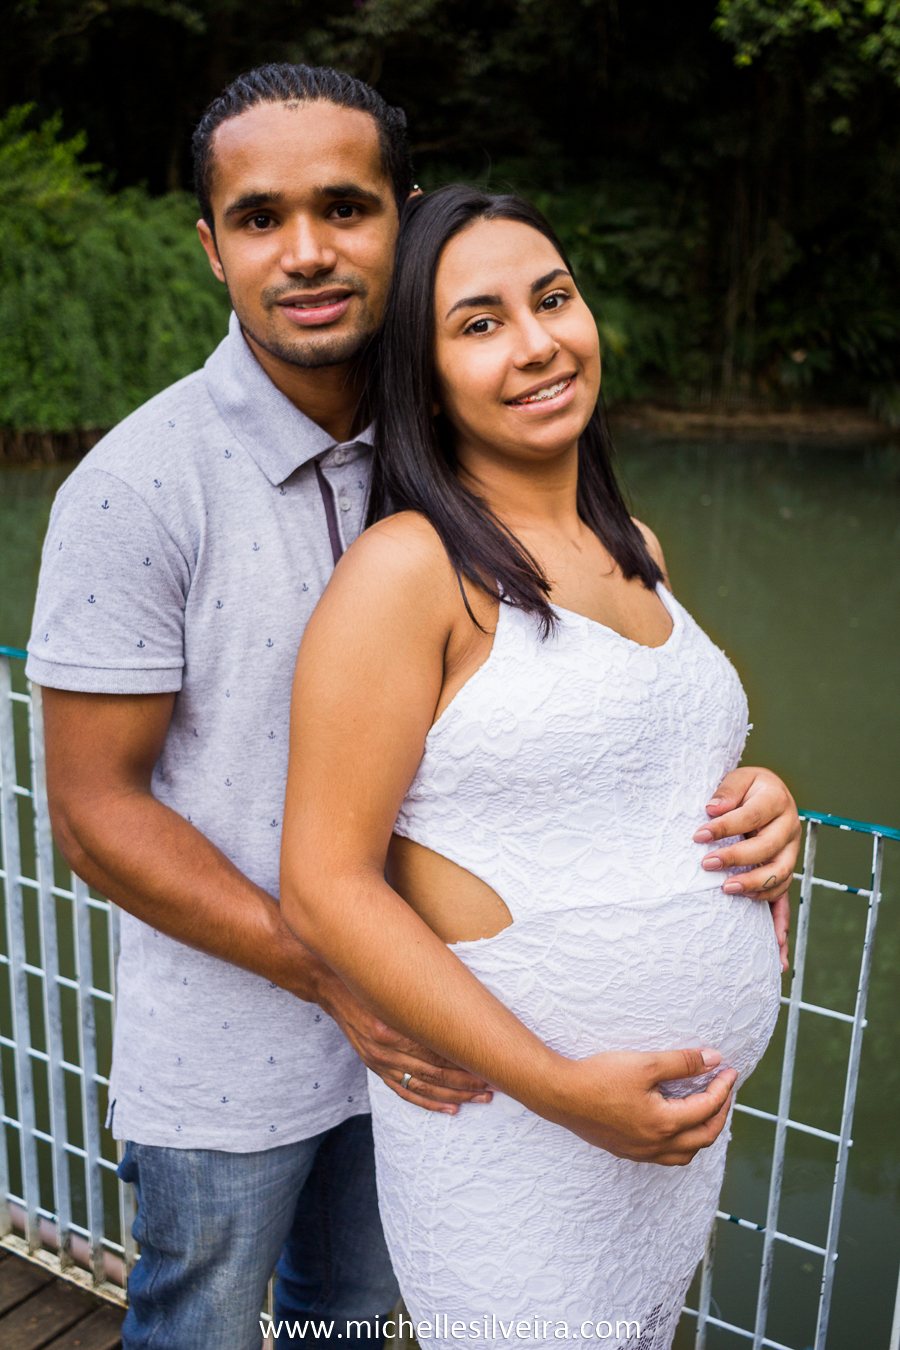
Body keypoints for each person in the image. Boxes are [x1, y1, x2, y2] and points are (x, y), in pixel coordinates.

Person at [25, 64, 796, 1349]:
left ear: (404, 212)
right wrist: (336, 978)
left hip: (458, 1066)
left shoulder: (463, 440)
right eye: (262, 218)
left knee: (351, 1331)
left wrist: (754, 808)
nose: (310, 250)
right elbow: (95, 813)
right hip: (245, 1051)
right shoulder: (135, 487)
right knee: (202, 1327)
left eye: (345, 205)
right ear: (211, 247)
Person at [278, 186, 786, 1348]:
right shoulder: (407, 573)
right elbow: (324, 883)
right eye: (480, 322)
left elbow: (651, 764)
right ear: (424, 373)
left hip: (660, 1144)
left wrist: (768, 807)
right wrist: (560, 1090)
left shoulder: (634, 545)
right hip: (518, 1133)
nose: (540, 340)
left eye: (552, 298)